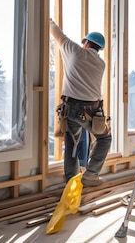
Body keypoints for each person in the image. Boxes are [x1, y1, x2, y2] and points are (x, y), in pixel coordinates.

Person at [50, 19, 111, 187]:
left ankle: (71, 181)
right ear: (99, 49)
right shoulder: (101, 63)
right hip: (91, 112)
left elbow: (58, 35)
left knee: (71, 145)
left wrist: (49, 21)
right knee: (104, 138)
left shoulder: (75, 51)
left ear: (85, 42)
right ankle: (90, 176)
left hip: (69, 110)